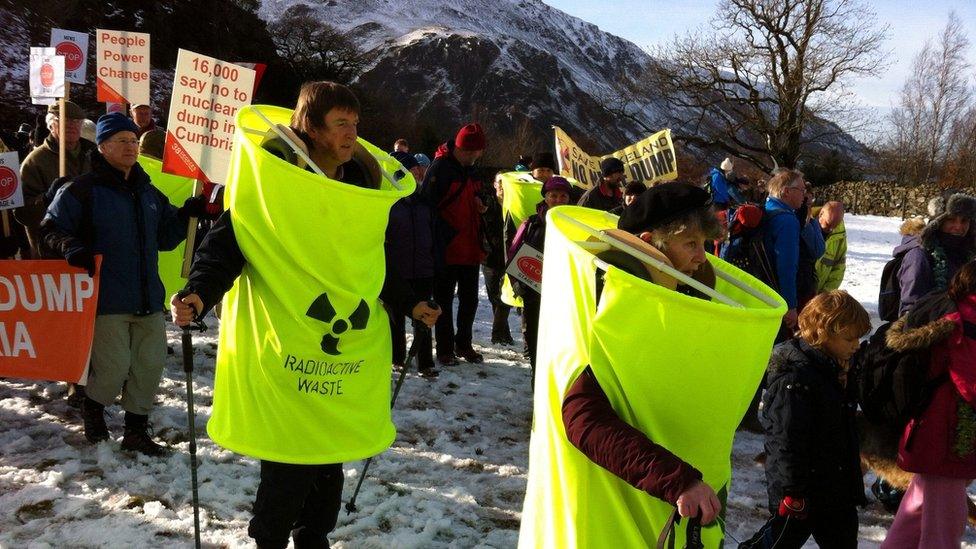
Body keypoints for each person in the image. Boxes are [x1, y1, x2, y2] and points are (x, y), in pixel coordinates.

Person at [171, 81, 440, 549]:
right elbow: (227, 245)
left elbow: (368, 264)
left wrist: (410, 302)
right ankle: (269, 539)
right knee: (288, 465)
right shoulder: (272, 189)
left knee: (328, 465)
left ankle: (313, 537)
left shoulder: (357, 191)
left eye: (355, 124)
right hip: (285, 351)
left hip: (340, 360)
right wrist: (197, 295)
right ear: (311, 129)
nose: (351, 134)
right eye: (340, 124)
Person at [561, 182, 726, 529]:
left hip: (665, 504)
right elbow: (584, 419)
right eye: (690, 244)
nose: (702, 257)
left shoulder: (665, 302)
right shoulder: (615, 310)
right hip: (620, 509)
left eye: (703, 244)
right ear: (650, 245)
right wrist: (679, 481)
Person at [41, 112, 205, 454]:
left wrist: (187, 215)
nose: (131, 146)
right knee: (113, 369)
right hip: (106, 299)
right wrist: (71, 247)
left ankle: (136, 432)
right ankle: (93, 408)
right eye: (122, 141)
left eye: (133, 140)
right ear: (102, 147)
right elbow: (50, 229)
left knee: (149, 367)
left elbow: (165, 238)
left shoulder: (148, 192)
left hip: (148, 298)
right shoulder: (81, 191)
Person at [741, 290, 870, 549]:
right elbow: (784, 440)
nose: (856, 345)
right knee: (778, 542)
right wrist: (790, 492)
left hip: (837, 490)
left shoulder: (841, 369)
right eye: (849, 338)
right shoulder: (795, 379)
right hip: (804, 493)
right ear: (823, 334)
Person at [881, 261, 976, 548]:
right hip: (947, 432)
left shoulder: (946, 304)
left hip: (929, 426)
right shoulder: (968, 319)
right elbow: (969, 382)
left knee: (916, 513)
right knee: (945, 526)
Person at [421, 123, 488, 365]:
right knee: (443, 302)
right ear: (462, 148)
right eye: (472, 152)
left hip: (470, 248)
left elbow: (482, 193)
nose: (476, 156)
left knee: (470, 301)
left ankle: (464, 344)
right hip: (446, 249)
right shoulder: (439, 168)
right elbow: (425, 206)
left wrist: (483, 203)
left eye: (478, 152)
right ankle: (445, 349)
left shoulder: (472, 169)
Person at [507, 176, 572, 374]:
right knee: (537, 344)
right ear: (545, 197)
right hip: (534, 294)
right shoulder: (531, 224)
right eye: (553, 195)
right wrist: (518, 285)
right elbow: (514, 254)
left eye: (563, 196)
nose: (558, 200)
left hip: (565, 297)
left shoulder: (577, 224)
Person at [14, 101, 95, 259]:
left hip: (87, 250)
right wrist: (46, 199)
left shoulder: (91, 158)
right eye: (65, 120)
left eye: (77, 121)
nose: (72, 125)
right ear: (51, 125)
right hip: (51, 255)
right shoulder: (35, 161)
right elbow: (22, 213)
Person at [387, 175, 438, 378]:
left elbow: (434, 232)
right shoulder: (390, 202)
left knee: (424, 318)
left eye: (417, 171)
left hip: (424, 269)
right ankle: (396, 358)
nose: (414, 175)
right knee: (395, 319)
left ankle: (425, 363)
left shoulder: (424, 202)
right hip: (398, 270)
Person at [893, 192, 976, 317]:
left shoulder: (966, 255)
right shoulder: (918, 257)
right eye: (951, 220)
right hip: (930, 332)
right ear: (938, 223)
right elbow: (911, 314)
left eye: (964, 221)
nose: (958, 227)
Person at [763, 169, 806, 337]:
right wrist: (790, 305)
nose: (805, 195)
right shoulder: (787, 220)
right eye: (801, 190)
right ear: (787, 192)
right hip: (776, 296)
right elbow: (787, 265)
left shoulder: (768, 210)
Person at [482, 172, 514, 345]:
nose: (502, 186)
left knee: (506, 295)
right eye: (499, 182)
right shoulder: (488, 202)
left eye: (505, 182)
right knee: (495, 295)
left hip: (509, 255)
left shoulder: (513, 204)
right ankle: (502, 333)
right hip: (490, 255)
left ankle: (499, 333)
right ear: (494, 184)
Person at [815, 201, 847, 292]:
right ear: (821, 214)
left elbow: (839, 268)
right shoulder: (805, 224)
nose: (831, 229)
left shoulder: (840, 235)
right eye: (828, 224)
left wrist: (826, 293)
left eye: (835, 225)